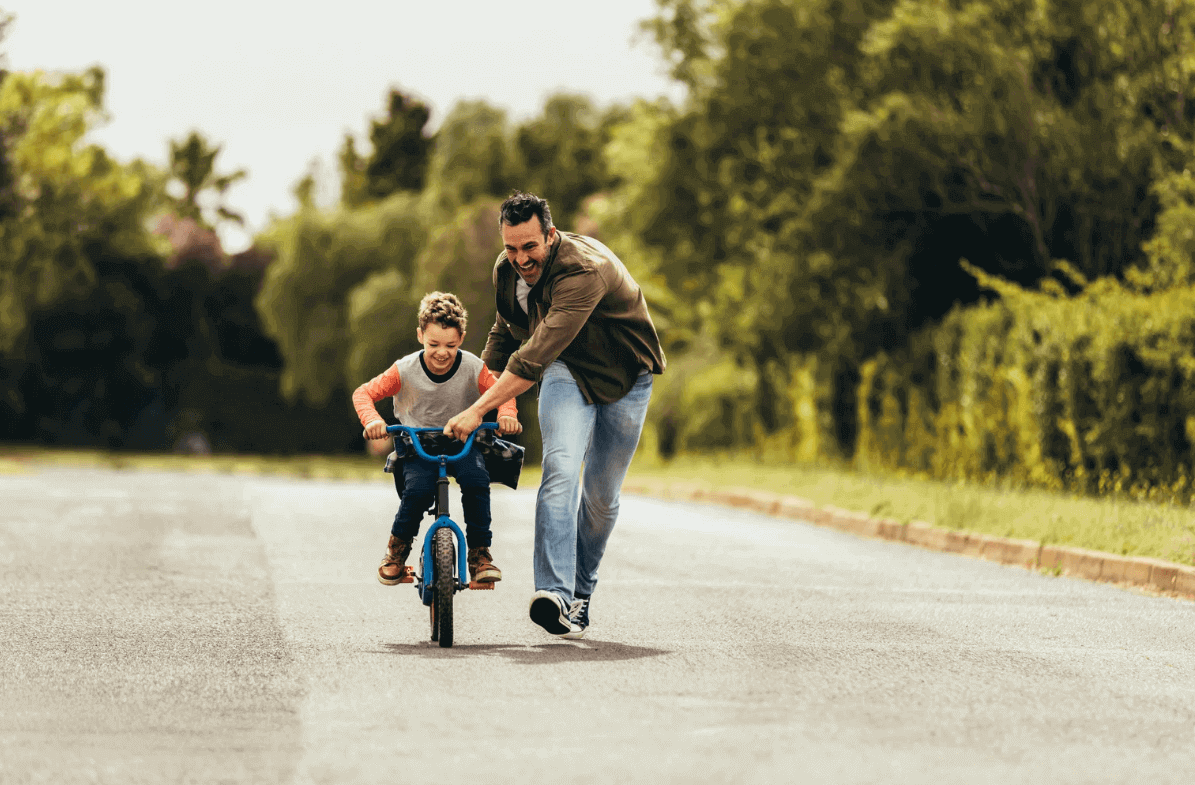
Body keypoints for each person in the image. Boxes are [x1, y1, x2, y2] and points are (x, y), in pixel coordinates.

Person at [444, 192, 665, 640]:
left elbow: (532, 358)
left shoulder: (582, 270)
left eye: (530, 246)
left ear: (550, 234)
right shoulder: (507, 271)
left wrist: (478, 410)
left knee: (601, 498)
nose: (521, 258)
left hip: (627, 376)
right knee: (561, 468)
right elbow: (506, 330)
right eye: (511, 247)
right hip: (568, 370)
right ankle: (555, 594)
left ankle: (580, 595)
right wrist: (467, 392)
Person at [354, 291, 522, 587]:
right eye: (433, 344)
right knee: (417, 491)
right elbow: (363, 393)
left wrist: (507, 414)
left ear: (462, 338)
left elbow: (502, 391)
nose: (442, 352)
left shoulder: (472, 367)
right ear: (420, 336)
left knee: (476, 481)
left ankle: (480, 554)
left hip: (463, 441)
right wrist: (373, 421)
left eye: (451, 345)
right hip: (417, 445)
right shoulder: (404, 370)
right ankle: (396, 552)